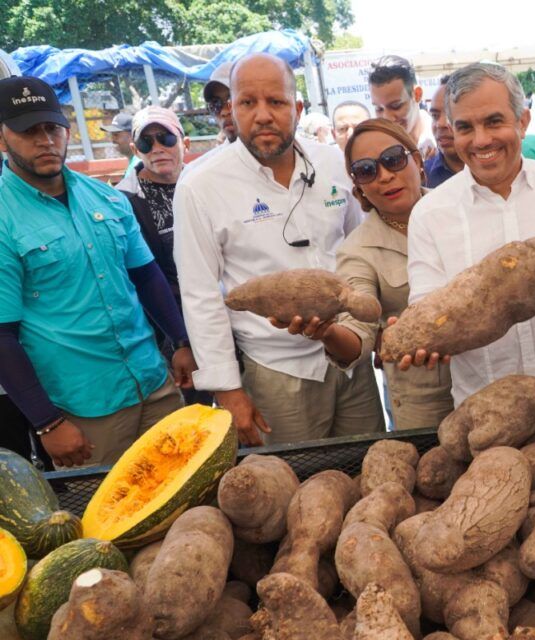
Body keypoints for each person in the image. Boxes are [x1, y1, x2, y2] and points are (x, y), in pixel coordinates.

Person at [174, 54, 382, 447]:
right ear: (232, 111)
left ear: (298, 108)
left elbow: (361, 250)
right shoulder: (200, 185)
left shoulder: (333, 163)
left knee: (367, 469)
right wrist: (228, 391)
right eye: (248, 103)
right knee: (289, 489)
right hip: (275, 373)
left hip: (351, 360)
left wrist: (377, 329)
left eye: (277, 101)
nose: (263, 115)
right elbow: (200, 294)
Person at [0, 77, 196, 467]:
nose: (45, 140)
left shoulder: (105, 197)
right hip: (85, 411)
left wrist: (181, 340)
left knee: (186, 497)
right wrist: (47, 422)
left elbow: (146, 276)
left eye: (52, 128)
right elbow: (2, 334)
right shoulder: (4, 218)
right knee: (107, 520)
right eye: (29, 131)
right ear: (3, 139)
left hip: (153, 384)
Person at [402, 62, 535, 412]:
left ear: (522, 122)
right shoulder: (430, 214)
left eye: (494, 122)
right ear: (451, 131)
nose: (481, 140)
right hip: (486, 417)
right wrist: (421, 336)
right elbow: (425, 304)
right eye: (465, 127)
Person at [304, 118, 454, 429]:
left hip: (492, 377)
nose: (385, 176)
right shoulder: (358, 250)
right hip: (428, 403)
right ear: (357, 185)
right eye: (366, 169)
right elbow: (358, 330)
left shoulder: (461, 210)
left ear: (417, 160)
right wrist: (327, 332)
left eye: (393, 159)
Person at [115, 107, 213, 407]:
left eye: (166, 138)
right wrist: (177, 340)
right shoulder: (123, 201)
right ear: (135, 150)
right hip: (171, 322)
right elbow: (142, 277)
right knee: (195, 405)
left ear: (184, 144)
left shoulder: (206, 185)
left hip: (219, 309)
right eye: (146, 143)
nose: (157, 148)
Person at [368, 55, 436, 159]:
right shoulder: (377, 150)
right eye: (379, 109)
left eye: (396, 106)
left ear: (417, 95)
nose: (387, 118)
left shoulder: (443, 140)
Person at [424, 76, 464, 188]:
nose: (440, 124)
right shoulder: (423, 177)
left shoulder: (498, 171)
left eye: (450, 115)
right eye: (435, 116)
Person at [101, 110, 140, 182]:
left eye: (116, 135)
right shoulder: (135, 161)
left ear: (132, 135)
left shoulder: (139, 164)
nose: (113, 140)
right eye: (112, 135)